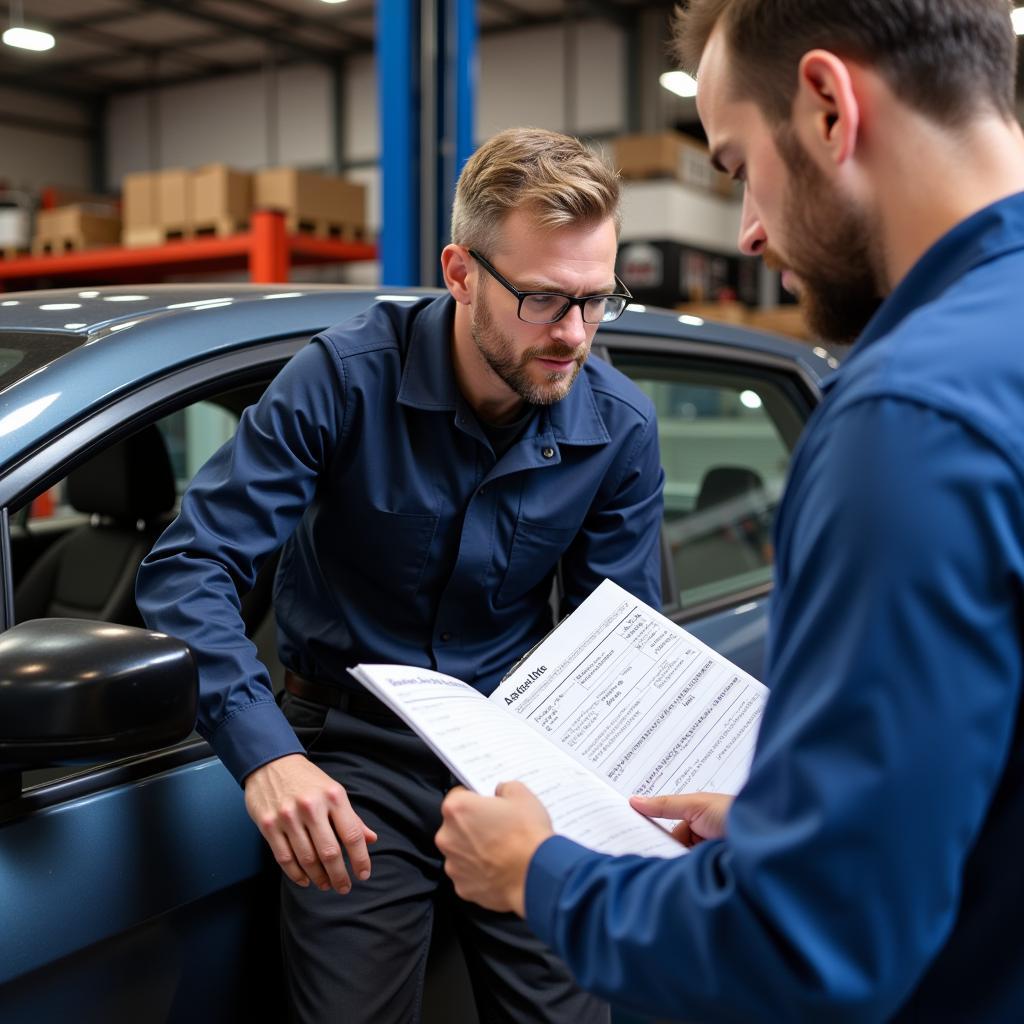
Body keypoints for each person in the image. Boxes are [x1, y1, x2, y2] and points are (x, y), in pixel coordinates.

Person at [435, 3, 1024, 1021]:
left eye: (737, 161)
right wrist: (789, 824)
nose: (747, 226)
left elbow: (807, 950)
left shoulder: (905, 420)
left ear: (830, 108)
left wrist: (542, 873)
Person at [135, 127, 664, 1023]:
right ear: (460, 273)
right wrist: (268, 758)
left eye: (595, 299)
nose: (574, 335)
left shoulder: (618, 427)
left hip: (518, 753)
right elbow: (193, 565)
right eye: (542, 299)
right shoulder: (341, 381)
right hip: (352, 750)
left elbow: (618, 641)